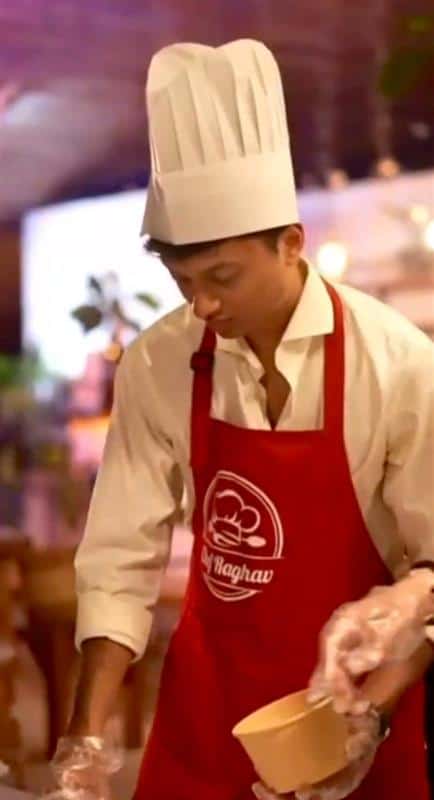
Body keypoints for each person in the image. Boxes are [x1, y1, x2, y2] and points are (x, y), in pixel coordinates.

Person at [47, 40, 434, 800]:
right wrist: (85, 740)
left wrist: (368, 720)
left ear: (290, 244)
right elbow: (120, 557)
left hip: (355, 718)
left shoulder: (399, 365)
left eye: (223, 276)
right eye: (182, 280)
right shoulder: (161, 363)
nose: (202, 305)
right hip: (208, 720)